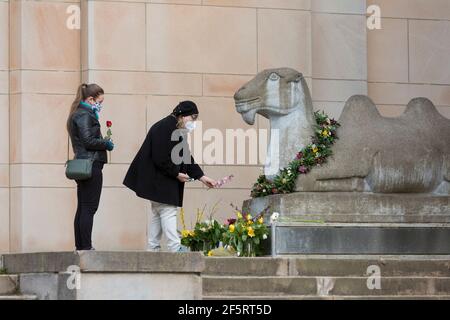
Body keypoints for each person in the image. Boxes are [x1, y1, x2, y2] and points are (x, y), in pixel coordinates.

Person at [123, 100, 217, 252]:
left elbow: (186, 156)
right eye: (192, 118)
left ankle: (153, 248)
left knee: (158, 212)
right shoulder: (166, 128)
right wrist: (176, 173)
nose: (194, 122)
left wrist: (202, 177)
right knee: (168, 211)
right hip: (161, 179)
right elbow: (160, 157)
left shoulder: (174, 128)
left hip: (159, 179)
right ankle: (175, 248)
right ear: (182, 115)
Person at [67, 83, 115, 251]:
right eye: (99, 101)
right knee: (89, 207)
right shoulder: (85, 115)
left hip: (85, 164)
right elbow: (88, 141)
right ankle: (86, 247)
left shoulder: (78, 114)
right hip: (91, 164)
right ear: (90, 99)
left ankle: (81, 246)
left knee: (83, 207)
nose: (100, 105)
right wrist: (106, 143)